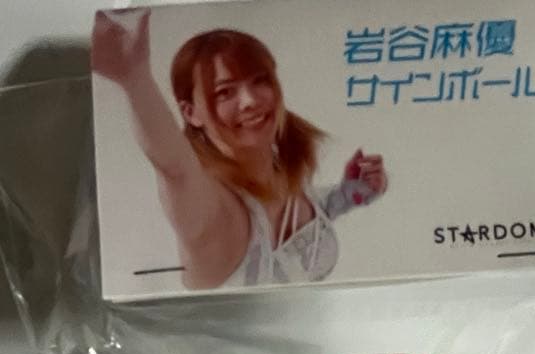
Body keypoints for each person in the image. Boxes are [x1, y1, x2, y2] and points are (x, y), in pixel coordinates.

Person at [91, 10, 388, 289]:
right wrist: (135, 79)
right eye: (225, 92)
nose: (250, 101)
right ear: (191, 113)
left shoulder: (282, 172)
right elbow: (175, 169)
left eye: (260, 81)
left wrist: (347, 195)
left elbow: (298, 226)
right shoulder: (216, 211)